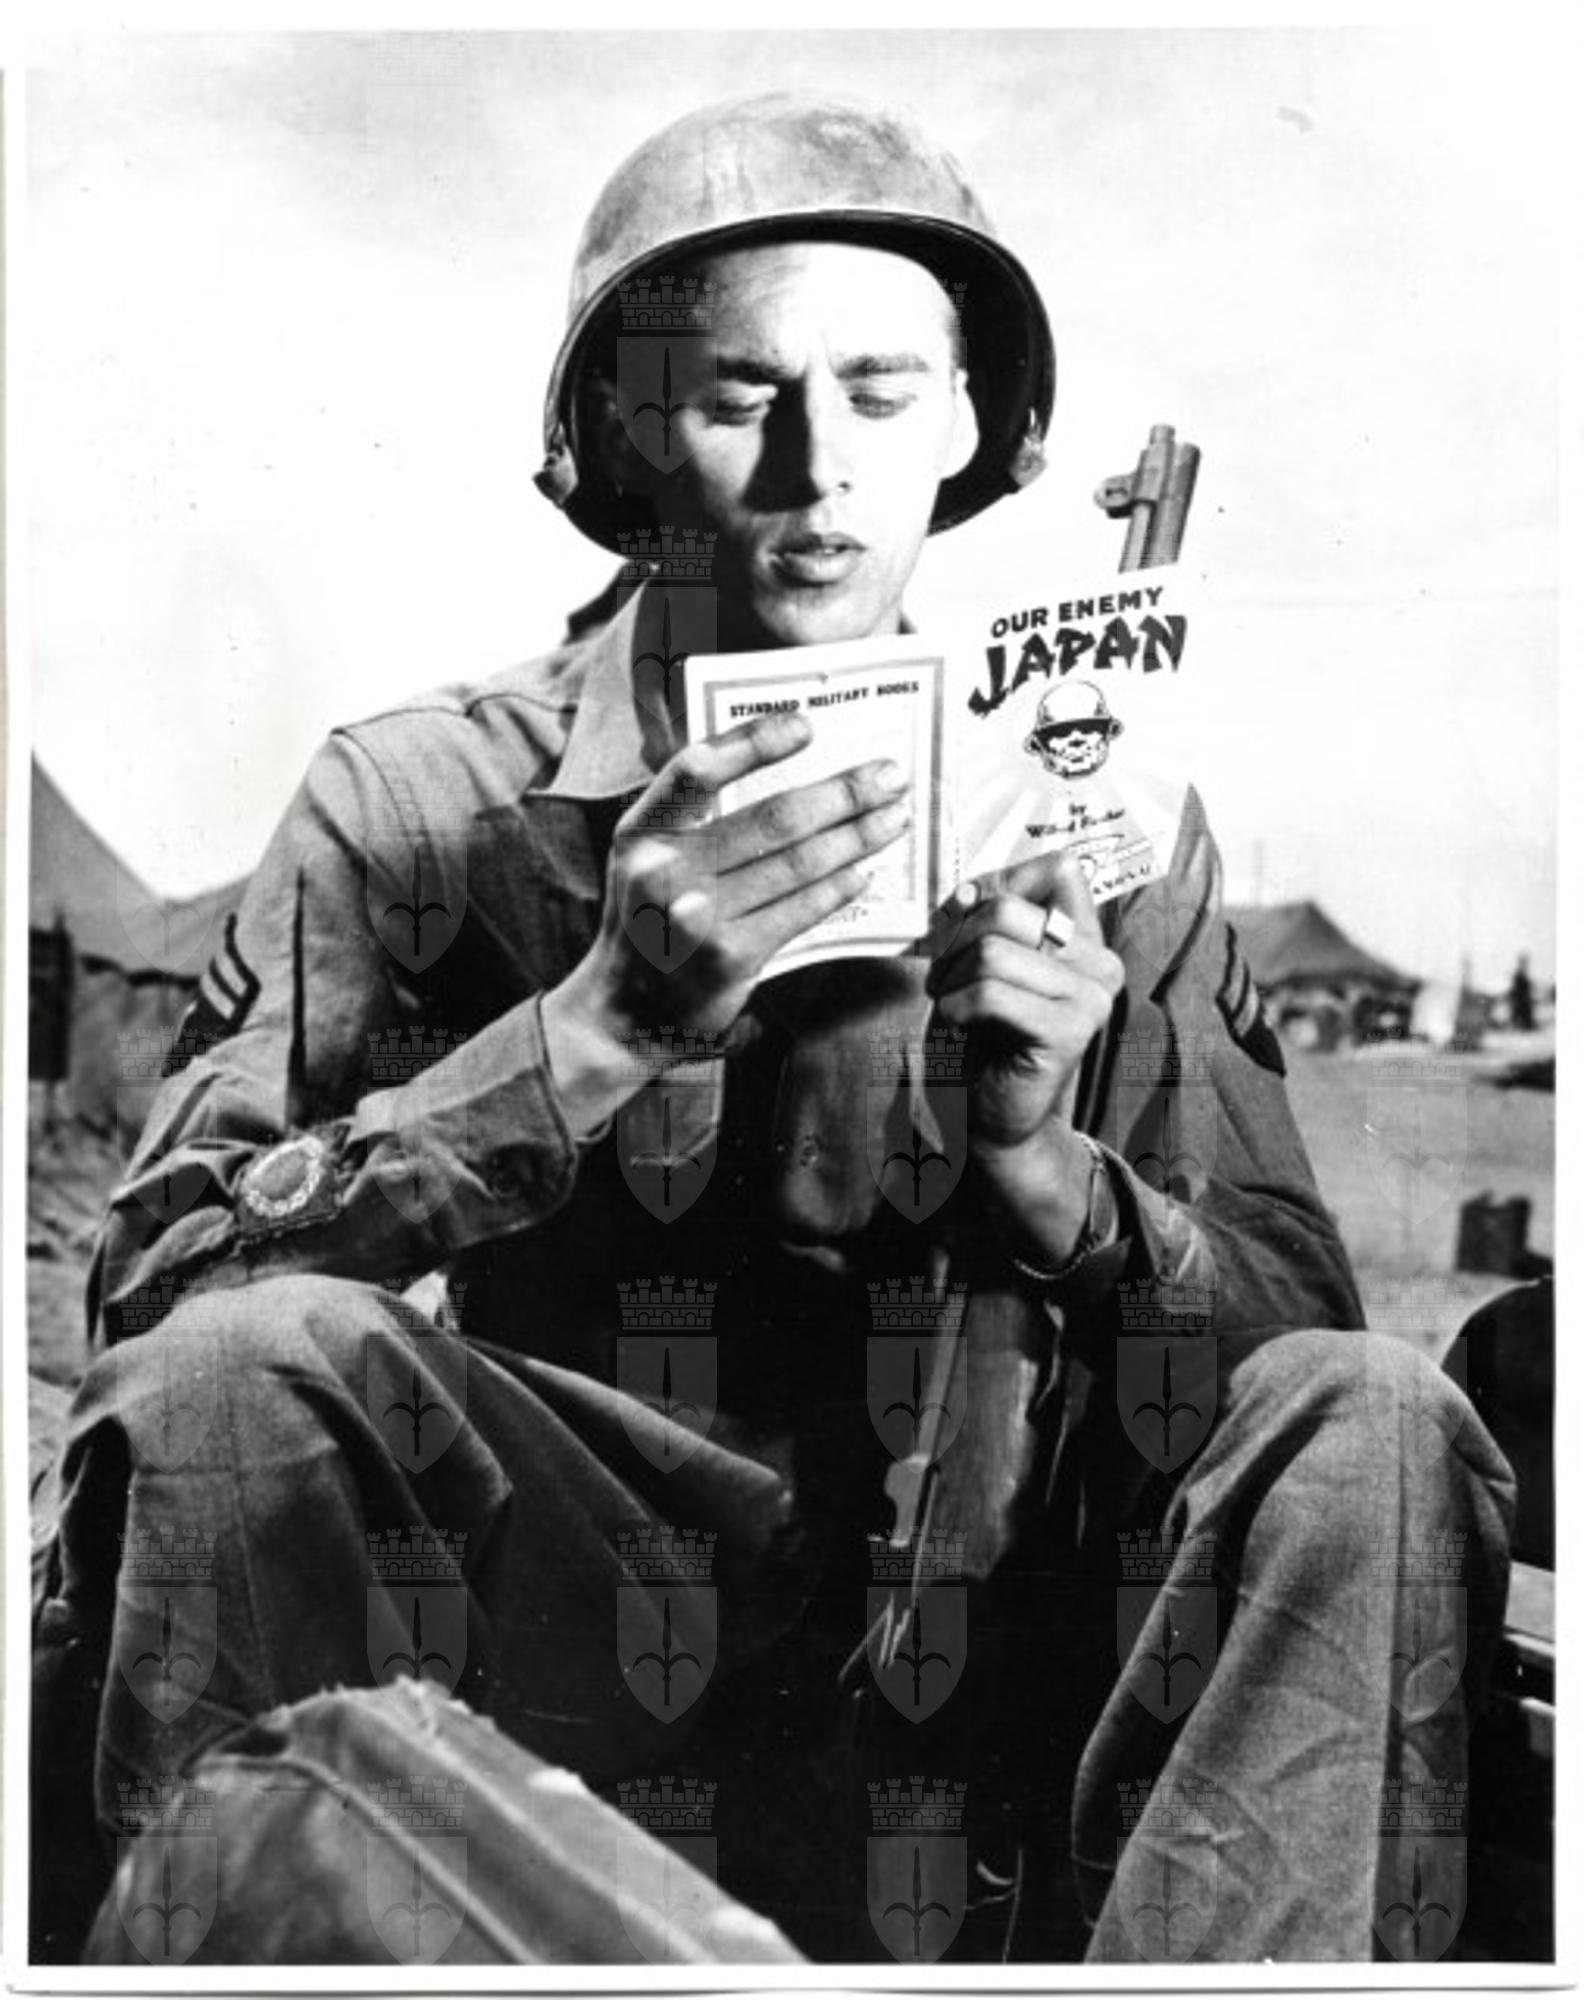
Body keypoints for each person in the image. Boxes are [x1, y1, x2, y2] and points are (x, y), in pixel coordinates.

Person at [32, 93, 1513, 1965]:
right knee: (237, 1374)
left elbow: (1298, 1349)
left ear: (969, 423)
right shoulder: (421, 807)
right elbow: (157, 1297)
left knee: (1377, 1416)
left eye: (882, 391)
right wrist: (587, 1032)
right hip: (561, 1652)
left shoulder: (1100, 824)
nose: (821, 468)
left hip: (1006, 1677)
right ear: (624, 434)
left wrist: (1052, 1178)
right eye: (743, 396)